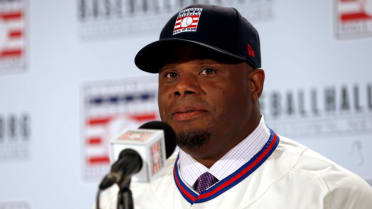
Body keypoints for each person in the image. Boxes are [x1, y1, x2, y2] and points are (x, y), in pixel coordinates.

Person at [100, 4, 372, 209]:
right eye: (170, 75)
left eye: (207, 70)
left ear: (254, 84)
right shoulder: (124, 191)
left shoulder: (331, 195)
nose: (182, 87)